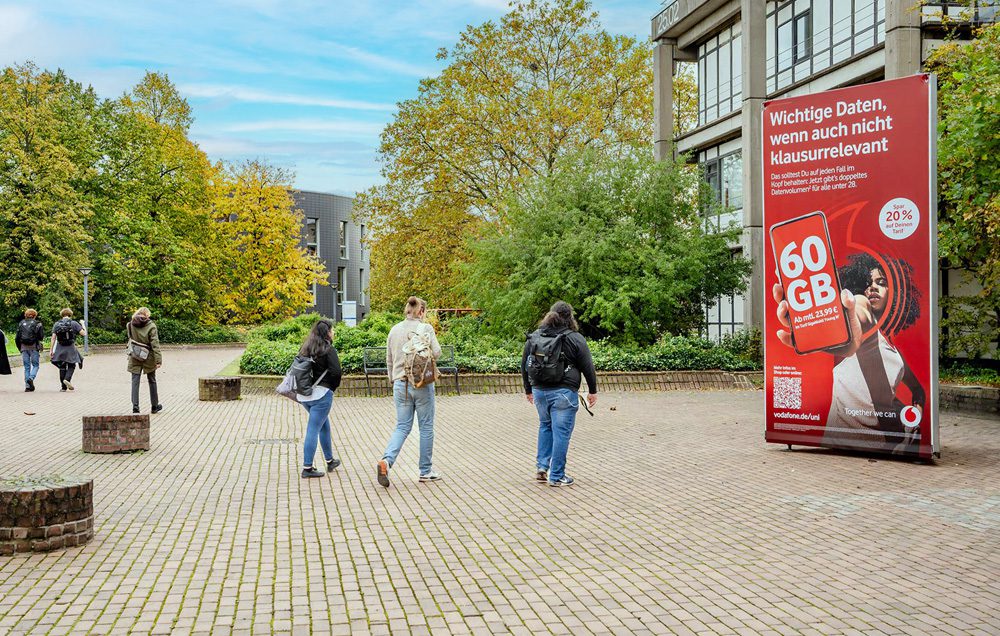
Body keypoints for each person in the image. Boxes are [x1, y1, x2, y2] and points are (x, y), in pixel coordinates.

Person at [773, 252, 925, 453]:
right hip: (844, 443)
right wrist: (839, 333)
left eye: (881, 282)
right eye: (867, 282)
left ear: (895, 292)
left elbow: (918, 391)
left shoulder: (893, 351)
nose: (872, 287)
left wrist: (913, 420)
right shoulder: (862, 309)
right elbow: (858, 317)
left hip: (892, 446)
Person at [521, 301, 598, 487]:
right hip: (564, 392)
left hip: (539, 391)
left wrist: (528, 390)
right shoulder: (575, 338)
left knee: (545, 426)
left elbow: (525, 364)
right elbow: (588, 366)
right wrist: (593, 391)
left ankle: (542, 467)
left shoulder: (536, 336)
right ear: (569, 317)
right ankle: (557, 476)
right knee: (561, 433)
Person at [376, 296, 442, 488]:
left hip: (400, 384)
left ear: (407, 310)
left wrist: (393, 379)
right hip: (421, 383)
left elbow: (389, 359)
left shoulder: (394, 330)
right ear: (421, 312)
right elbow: (437, 353)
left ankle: (387, 461)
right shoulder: (426, 328)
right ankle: (425, 471)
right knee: (426, 427)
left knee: (402, 426)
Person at [297, 319, 343, 479]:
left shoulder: (305, 348)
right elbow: (336, 372)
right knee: (313, 428)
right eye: (332, 330)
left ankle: (330, 460)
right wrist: (332, 387)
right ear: (327, 333)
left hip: (305, 395)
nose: (334, 332)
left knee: (323, 425)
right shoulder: (328, 350)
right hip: (322, 395)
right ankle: (307, 468)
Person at [127, 307, 163, 414]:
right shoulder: (151, 326)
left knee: (135, 381)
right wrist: (158, 360)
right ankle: (154, 406)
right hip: (148, 356)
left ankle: (135, 407)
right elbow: (155, 344)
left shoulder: (130, 325)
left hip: (135, 355)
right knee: (152, 380)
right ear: (147, 315)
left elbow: (130, 338)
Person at [50, 308, 85, 391]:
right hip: (70, 347)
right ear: (70, 314)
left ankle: (63, 387)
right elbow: (84, 333)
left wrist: (51, 350)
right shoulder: (74, 323)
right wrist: (83, 324)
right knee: (72, 365)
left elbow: (53, 338)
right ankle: (67, 379)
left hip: (60, 347)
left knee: (62, 367)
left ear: (62, 315)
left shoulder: (57, 324)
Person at [15, 309, 44, 392]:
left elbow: (17, 337)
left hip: (24, 348)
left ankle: (28, 387)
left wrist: (19, 348)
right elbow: (41, 337)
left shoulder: (21, 323)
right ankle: (31, 378)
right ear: (35, 315)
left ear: (26, 315)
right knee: (35, 365)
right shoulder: (38, 324)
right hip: (34, 347)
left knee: (27, 367)